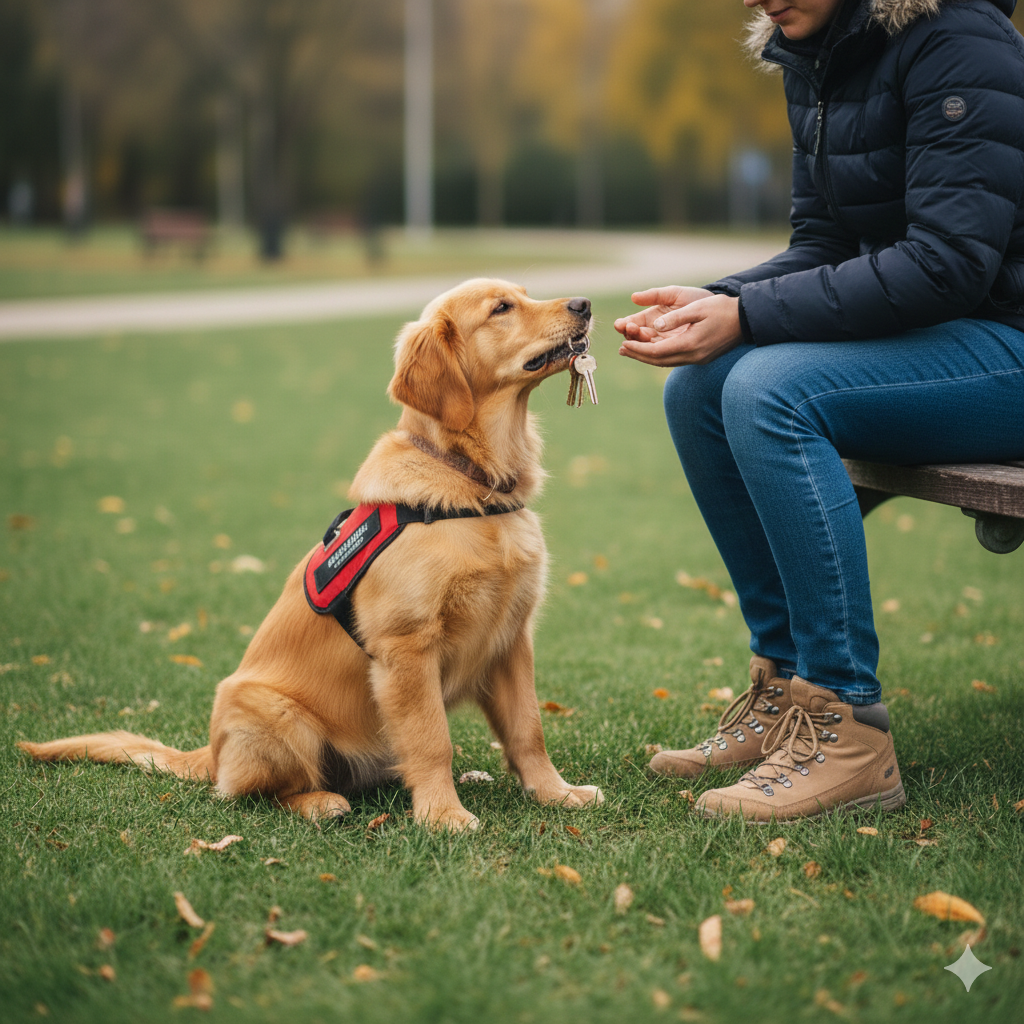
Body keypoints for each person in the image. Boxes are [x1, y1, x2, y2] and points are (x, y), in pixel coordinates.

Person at [614, 0, 1024, 822]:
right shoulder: (817, 51)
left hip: (1005, 342)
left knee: (771, 391)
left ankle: (849, 731)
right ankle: (787, 691)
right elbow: (825, 245)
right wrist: (722, 301)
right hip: (945, 336)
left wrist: (750, 317)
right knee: (698, 386)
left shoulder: (959, 40)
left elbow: (948, 264)